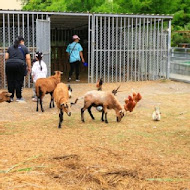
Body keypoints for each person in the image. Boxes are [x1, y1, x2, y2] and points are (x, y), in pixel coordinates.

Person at [5, 36, 31, 102]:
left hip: (9, 64)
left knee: (10, 81)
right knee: (19, 81)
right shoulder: (24, 48)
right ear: (21, 41)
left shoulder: (10, 48)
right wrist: (29, 67)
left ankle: (10, 97)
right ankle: (19, 97)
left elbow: (6, 57)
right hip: (20, 65)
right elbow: (28, 58)